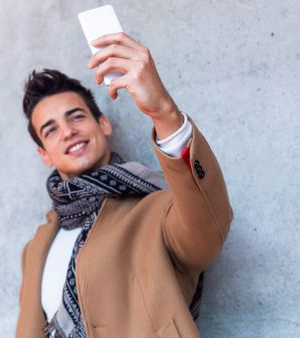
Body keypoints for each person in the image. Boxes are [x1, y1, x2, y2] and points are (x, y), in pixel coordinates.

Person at [15, 32, 233, 338]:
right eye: (51, 130)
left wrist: (163, 112)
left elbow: (208, 232)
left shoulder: (157, 210)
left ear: (103, 124)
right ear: (44, 154)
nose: (67, 132)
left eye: (76, 117)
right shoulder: (36, 248)